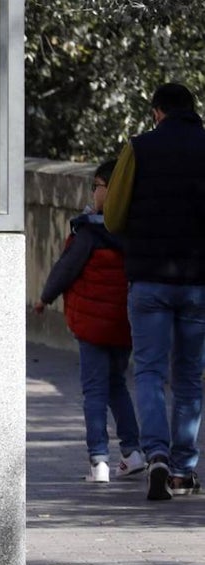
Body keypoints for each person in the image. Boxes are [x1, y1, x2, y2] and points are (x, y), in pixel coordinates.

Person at [104, 82, 205, 500]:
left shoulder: (138, 148)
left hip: (148, 279)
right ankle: (183, 469)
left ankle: (157, 454)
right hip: (198, 281)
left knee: (148, 371)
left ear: (157, 112)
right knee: (189, 377)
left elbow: (112, 215)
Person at [33, 160, 144, 482]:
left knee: (94, 391)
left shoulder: (89, 232)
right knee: (117, 385)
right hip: (123, 324)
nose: (93, 192)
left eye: (96, 185)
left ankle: (98, 461)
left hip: (92, 327)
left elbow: (65, 269)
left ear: (111, 190)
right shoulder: (135, 234)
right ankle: (132, 451)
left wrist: (45, 298)